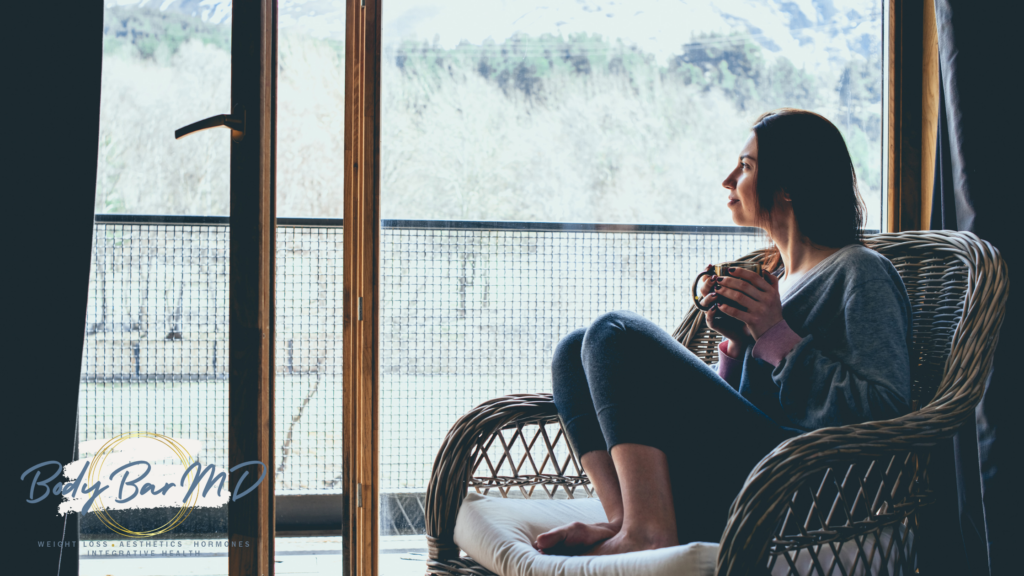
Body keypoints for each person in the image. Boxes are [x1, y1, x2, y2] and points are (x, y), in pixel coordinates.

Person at [534, 108, 913, 556]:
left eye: (747, 166)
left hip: (799, 486)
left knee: (613, 332)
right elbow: (746, 406)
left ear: (789, 185)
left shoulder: (860, 271)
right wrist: (737, 346)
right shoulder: (775, 277)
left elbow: (885, 410)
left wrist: (774, 334)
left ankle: (649, 533)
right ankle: (628, 519)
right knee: (572, 348)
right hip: (741, 473)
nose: (728, 179)